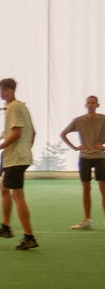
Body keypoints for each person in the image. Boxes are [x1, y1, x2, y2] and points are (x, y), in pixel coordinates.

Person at [0, 78, 37, 250]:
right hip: (18, 157)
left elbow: (16, 133)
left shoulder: (14, 107)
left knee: (18, 196)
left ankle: (29, 237)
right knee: (3, 188)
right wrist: (26, 149)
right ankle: (6, 227)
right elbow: (33, 132)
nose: (1, 93)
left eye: (3, 89)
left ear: (10, 90)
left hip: (16, 158)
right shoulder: (22, 107)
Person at [60, 95, 105, 230]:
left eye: (93, 103)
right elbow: (63, 134)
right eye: (88, 103)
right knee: (86, 189)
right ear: (86, 105)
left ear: (97, 105)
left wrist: (103, 147)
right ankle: (87, 220)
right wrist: (75, 147)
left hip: (100, 157)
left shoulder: (103, 119)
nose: (90, 105)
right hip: (84, 157)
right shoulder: (79, 120)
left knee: (103, 189)